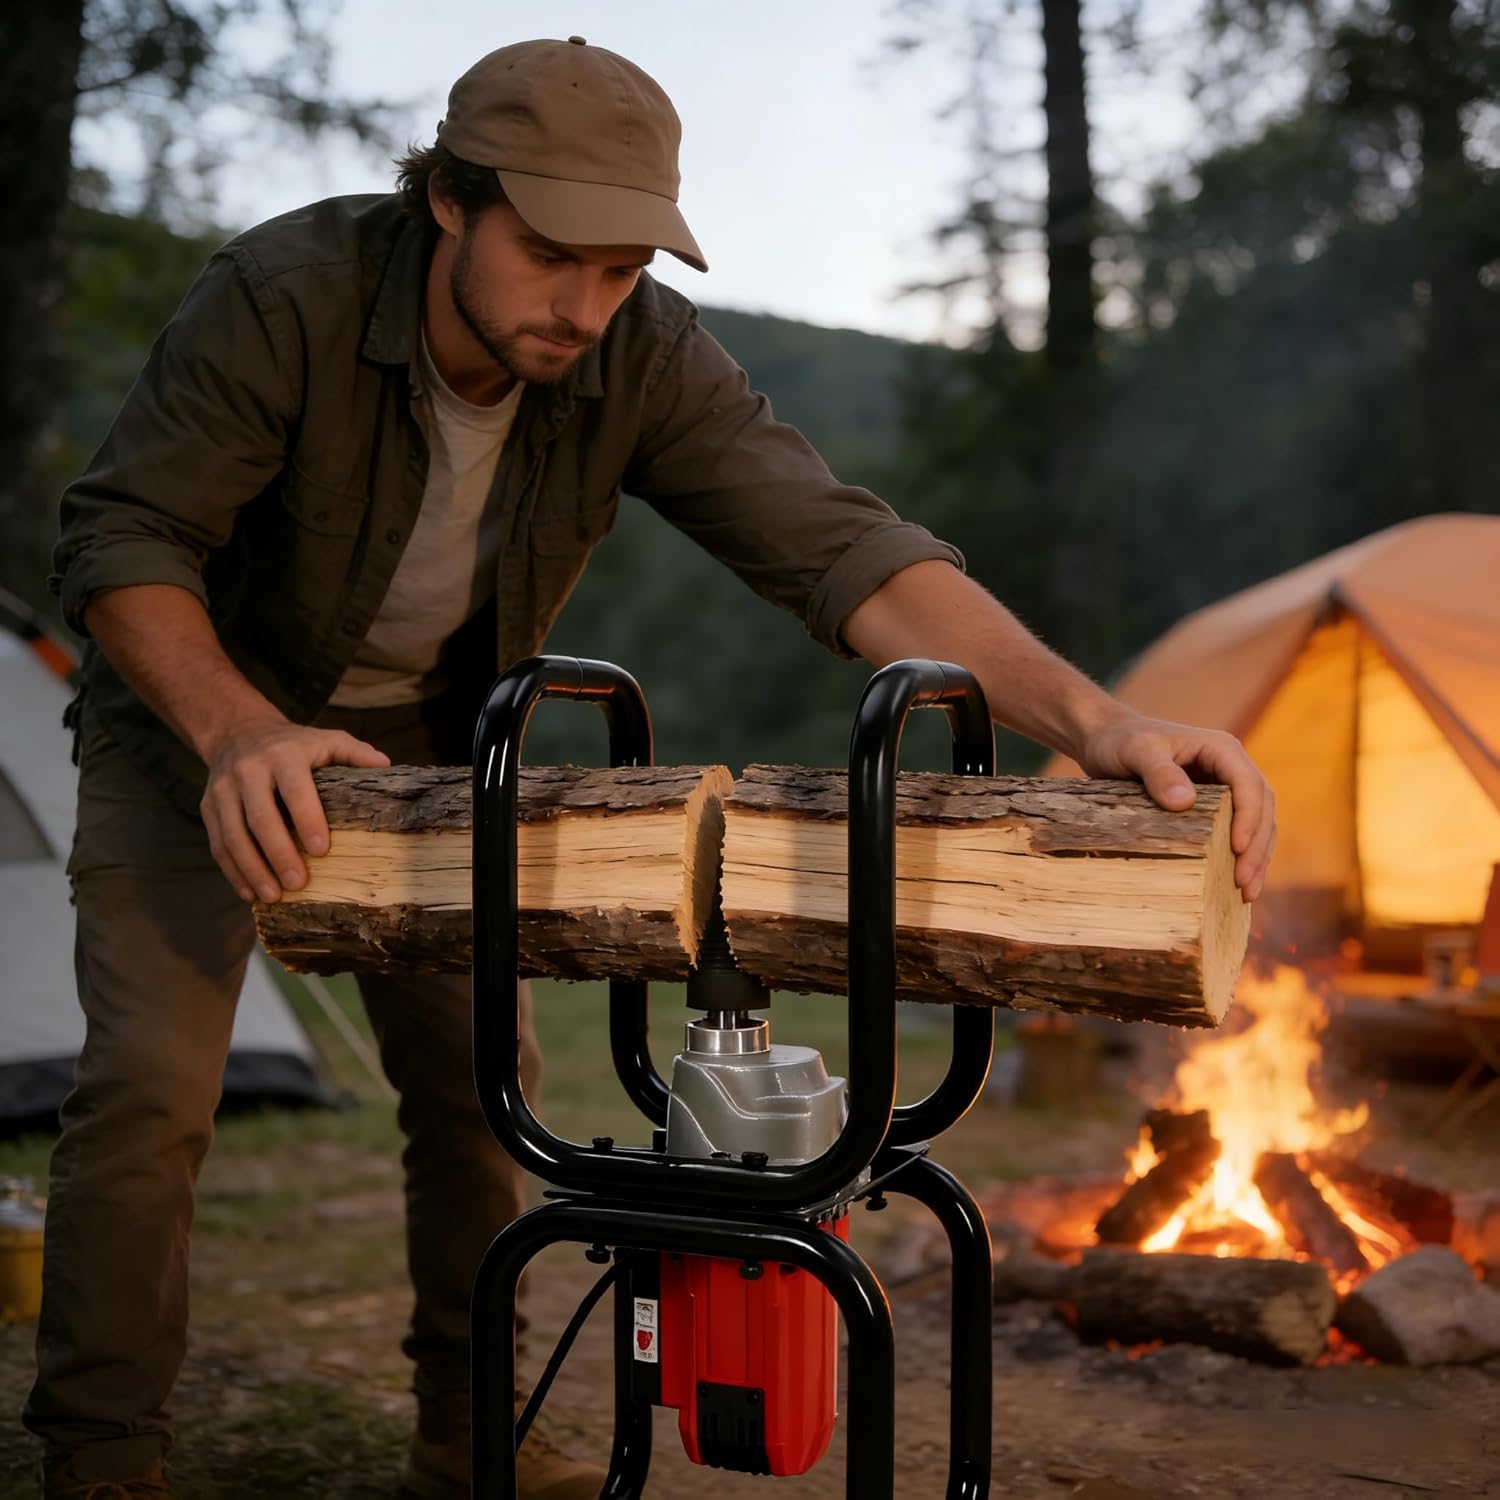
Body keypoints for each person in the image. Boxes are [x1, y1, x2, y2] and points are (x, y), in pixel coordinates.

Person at [26, 34, 1276, 1500]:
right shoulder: (280, 297)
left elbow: (846, 553)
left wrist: (1098, 721)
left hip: (432, 743)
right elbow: (119, 543)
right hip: (199, 720)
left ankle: (466, 1430)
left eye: (622, 270)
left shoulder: (639, 351)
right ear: (449, 199)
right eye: (554, 256)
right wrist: (235, 731)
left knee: (478, 1089)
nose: (584, 307)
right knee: (149, 1096)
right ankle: (101, 1462)